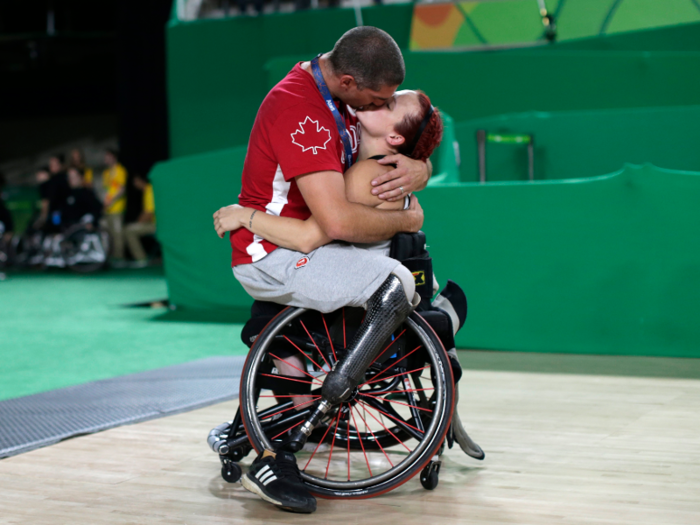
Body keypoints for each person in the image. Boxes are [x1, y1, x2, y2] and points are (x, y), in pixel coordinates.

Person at [213, 27, 433, 514]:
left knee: (405, 271)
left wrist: (421, 168)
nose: (376, 108)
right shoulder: (300, 108)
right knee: (393, 282)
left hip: (309, 244)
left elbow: (403, 135)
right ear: (350, 81)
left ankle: (251, 424)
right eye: (376, 100)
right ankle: (277, 452)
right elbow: (332, 223)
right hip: (272, 250)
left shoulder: (340, 96)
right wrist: (411, 216)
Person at [101, 149, 127, 266]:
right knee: (108, 234)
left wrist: (111, 200)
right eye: (105, 157)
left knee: (117, 234)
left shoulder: (120, 170)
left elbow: (121, 189)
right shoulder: (105, 173)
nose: (106, 159)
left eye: (108, 156)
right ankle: (109, 258)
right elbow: (106, 190)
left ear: (114, 157)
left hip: (117, 208)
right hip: (107, 209)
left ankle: (119, 259)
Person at [124, 175, 156, 268]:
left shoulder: (150, 190)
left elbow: (149, 213)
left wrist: (137, 223)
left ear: (141, 180)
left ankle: (141, 259)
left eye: (136, 181)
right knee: (130, 228)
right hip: (153, 223)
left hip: (157, 225)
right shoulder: (147, 190)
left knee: (129, 230)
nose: (134, 184)